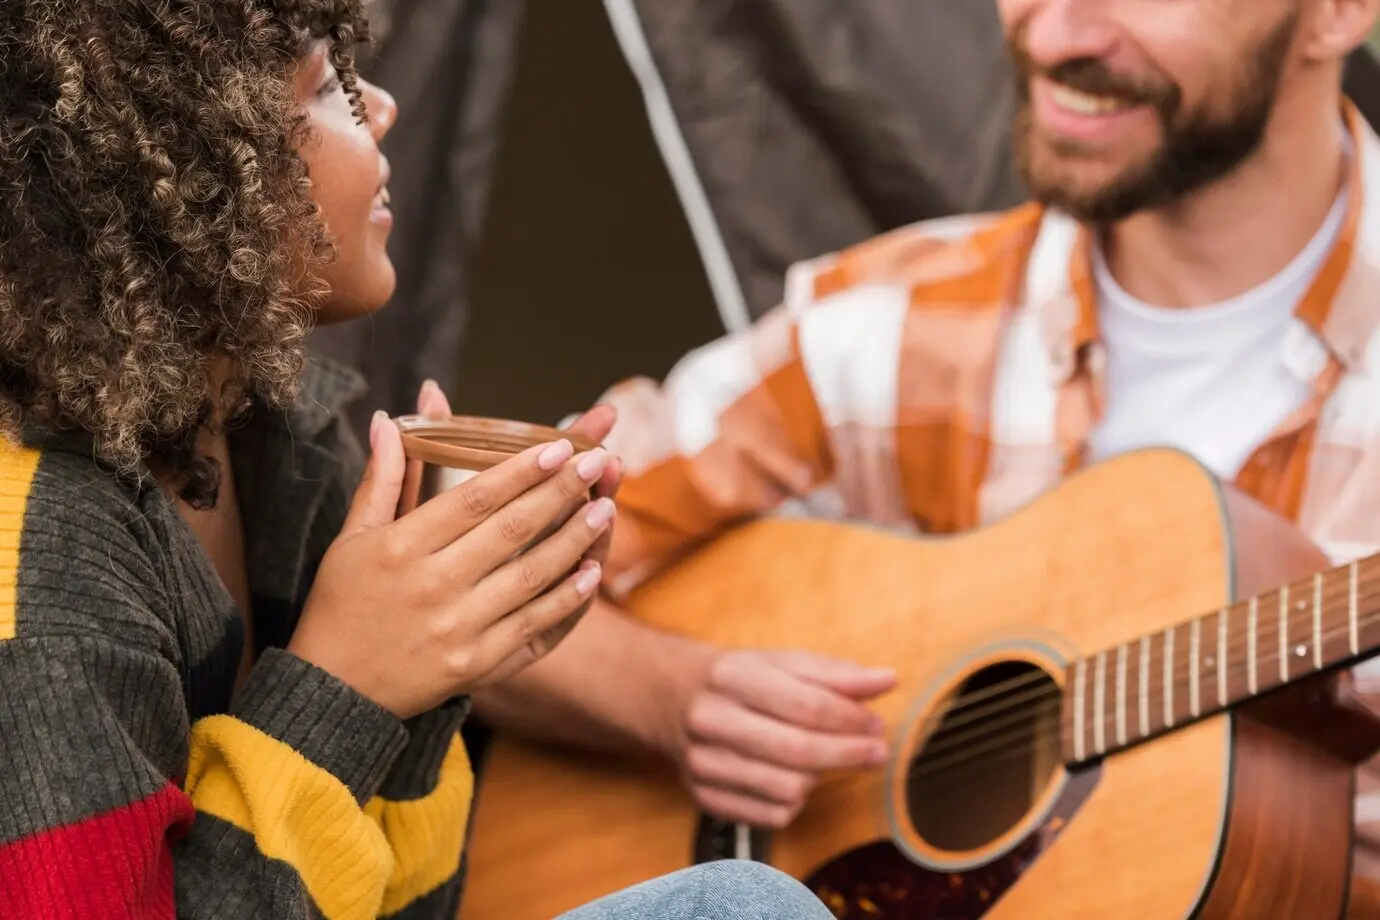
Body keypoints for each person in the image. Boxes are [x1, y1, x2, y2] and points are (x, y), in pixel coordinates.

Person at [470, 0, 1380, 872]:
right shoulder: (894, 328)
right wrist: (673, 698)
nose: (1054, 30)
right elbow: (464, 568)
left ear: (1338, 10)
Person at [0, 3, 835, 918]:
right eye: (331, 92)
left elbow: (409, 907)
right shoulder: (42, 555)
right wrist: (344, 689)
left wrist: (441, 659)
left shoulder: (289, 442)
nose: (387, 110)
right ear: (183, 167)